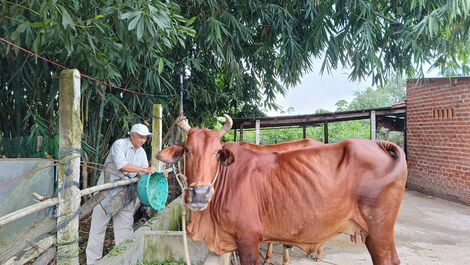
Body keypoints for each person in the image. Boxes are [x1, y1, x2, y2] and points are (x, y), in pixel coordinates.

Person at [86, 123, 156, 264]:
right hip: (107, 193)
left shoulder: (141, 152)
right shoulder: (119, 144)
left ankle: (124, 260)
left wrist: (159, 174)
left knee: (125, 228)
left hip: (127, 193)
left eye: (145, 138)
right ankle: (93, 261)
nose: (143, 140)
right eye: (140, 137)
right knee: (98, 228)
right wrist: (145, 170)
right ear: (132, 135)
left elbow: (144, 174)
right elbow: (122, 166)